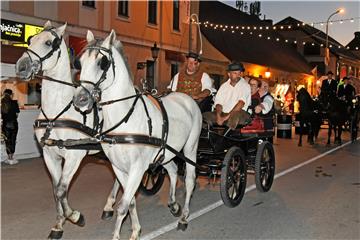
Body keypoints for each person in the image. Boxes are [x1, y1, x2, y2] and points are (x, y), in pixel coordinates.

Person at [203, 62, 251, 129]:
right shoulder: (224, 86)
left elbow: (241, 103)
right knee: (205, 116)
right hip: (223, 112)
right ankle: (209, 137)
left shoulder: (245, 85)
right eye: (235, 73)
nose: (238, 75)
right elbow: (218, 103)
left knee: (235, 116)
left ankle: (225, 138)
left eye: (239, 73)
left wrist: (225, 118)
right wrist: (218, 116)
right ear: (229, 74)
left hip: (240, 113)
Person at [1, 89, 20, 165]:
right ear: (11, 94)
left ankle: (9, 158)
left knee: (7, 141)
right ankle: (11, 158)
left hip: (5, 125)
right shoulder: (14, 102)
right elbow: (17, 115)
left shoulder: (2, 103)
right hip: (14, 124)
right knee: (13, 140)